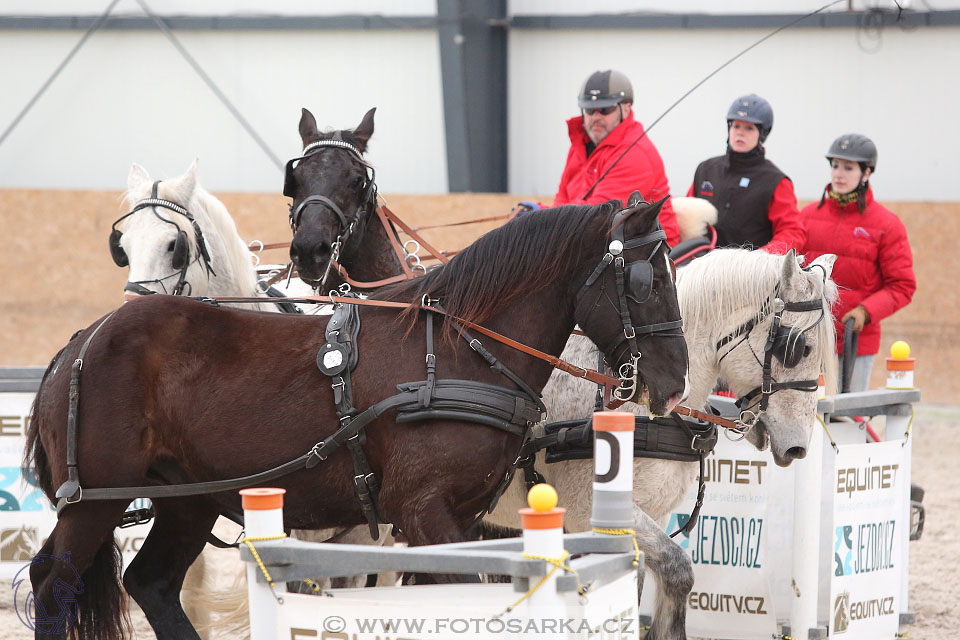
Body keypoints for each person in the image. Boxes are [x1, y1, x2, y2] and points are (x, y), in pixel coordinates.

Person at [801, 133, 916, 391]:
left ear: (866, 173)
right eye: (835, 166)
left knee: (849, 420)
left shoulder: (887, 225)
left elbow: (902, 285)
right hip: (810, 338)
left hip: (856, 341)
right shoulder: (806, 217)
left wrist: (866, 312)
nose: (839, 174)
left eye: (848, 168)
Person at [552, 69, 680, 246]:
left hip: (649, 252)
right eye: (589, 109)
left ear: (626, 109)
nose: (596, 117)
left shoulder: (636, 154)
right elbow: (562, 198)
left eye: (605, 109)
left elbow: (596, 216)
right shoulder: (580, 145)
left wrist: (542, 217)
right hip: (600, 242)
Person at [687, 93, 805, 254]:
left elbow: (793, 232)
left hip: (747, 274)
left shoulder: (776, 181)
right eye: (736, 126)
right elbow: (685, 216)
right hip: (702, 268)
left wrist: (761, 258)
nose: (740, 133)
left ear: (762, 134)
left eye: (749, 128)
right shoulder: (706, 169)